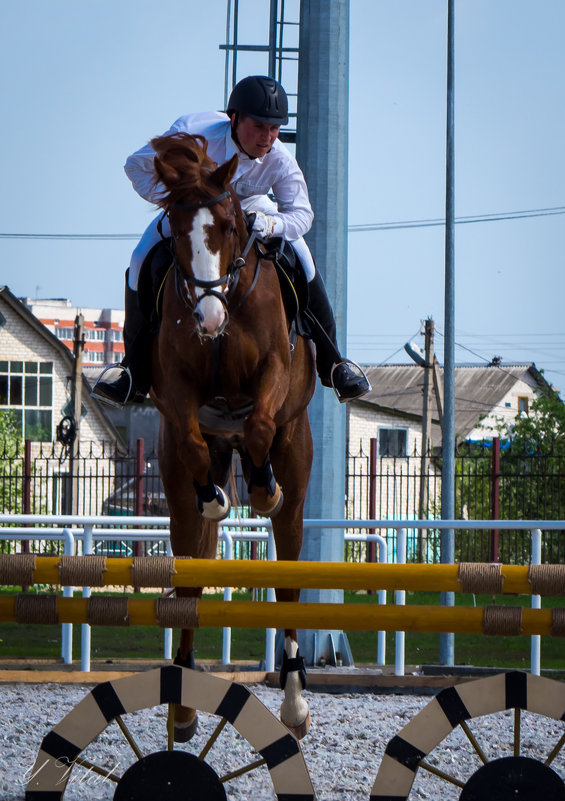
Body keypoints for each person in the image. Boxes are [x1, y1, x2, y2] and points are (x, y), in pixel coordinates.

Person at [92, 75, 370, 407]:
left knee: (304, 259)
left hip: (252, 208)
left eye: (274, 128)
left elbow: (302, 215)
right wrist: (179, 199)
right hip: (194, 209)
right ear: (234, 119)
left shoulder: (278, 158)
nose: (267, 137)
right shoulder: (195, 135)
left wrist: (269, 223)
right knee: (140, 258)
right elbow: (135, 166)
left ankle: (333, 362)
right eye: (259, 126)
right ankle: (133, 371)